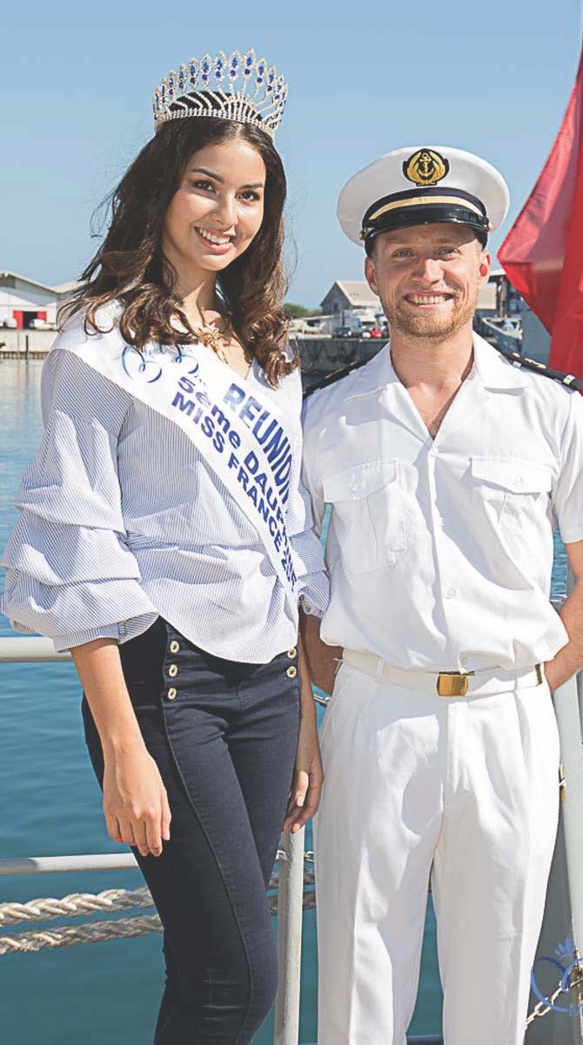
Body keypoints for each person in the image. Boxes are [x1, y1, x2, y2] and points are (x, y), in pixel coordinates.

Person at [2, 48, 328, 1045]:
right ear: (162, 187)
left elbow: (288, 543)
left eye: (248, 195)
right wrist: (122, 748)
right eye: (204, 186)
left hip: (269, 689)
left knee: (205, 964)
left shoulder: (265, 345)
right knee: (239, 975)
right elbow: (78, 542)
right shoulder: (99, 339)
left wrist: (306, 715)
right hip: (165, 687)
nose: (225, 214)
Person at [300, 145, 583, 1044]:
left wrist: (527, 684)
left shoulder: (549, 410)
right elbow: (290, 586)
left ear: (481, 266)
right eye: (404, 253)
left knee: (495, 994)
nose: (428, 271)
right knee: (354, 989)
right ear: (370, 273)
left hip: (507, 721)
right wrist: (354, 684)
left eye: (448, 249)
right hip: (373, 717)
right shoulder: (322, 417)